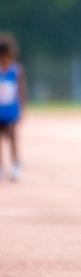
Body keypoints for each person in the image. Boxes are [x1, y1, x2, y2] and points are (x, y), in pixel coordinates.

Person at [0, 32, 27, 181]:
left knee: (12, 136)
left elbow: (20, 90)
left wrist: (22, 108)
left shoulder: (15, 70)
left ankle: (15, 163)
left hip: (11, 109)